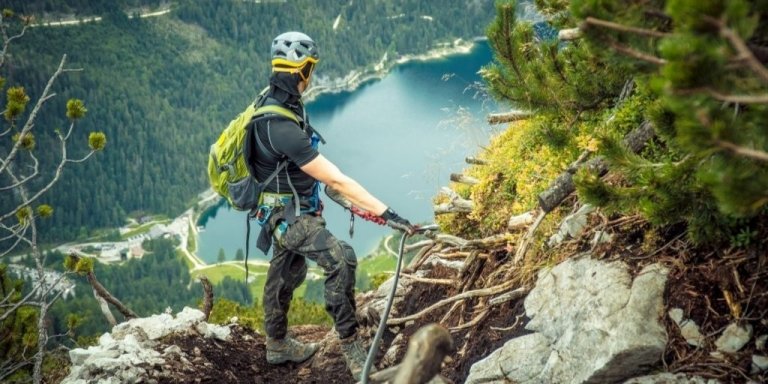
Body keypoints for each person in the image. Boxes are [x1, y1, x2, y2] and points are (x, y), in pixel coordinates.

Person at [249, 31, 414, 381]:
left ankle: (276, 344)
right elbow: (336, 179)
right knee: (342, 258)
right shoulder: (282, 125)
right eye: (311, 68)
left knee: (284, 274)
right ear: (302, 70)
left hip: (277, 212)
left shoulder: (276, 103)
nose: (312, 75)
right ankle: (351, 345)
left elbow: (299, 172)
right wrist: (388, 213)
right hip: (291, 217)